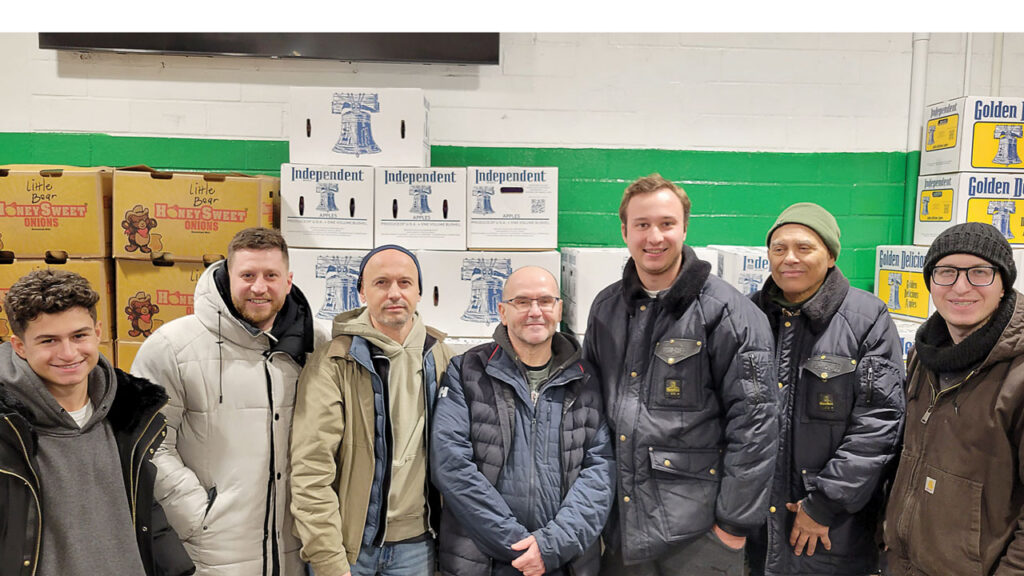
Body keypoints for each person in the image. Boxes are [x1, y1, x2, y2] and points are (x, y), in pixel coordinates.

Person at [583, 173, 779, 576]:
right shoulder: (606, 309)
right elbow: (589, 411)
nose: (654, 236)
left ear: (685, 228)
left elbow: (756, 423)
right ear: (624, 232)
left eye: (666, 224)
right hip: (623, 528)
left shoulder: (728, 312)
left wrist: (733, 525)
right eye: (642, 225)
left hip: (699, 535)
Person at [132, 227, 325, 576]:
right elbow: (147, 443)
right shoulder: (172, 347)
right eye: (247, 275)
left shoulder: (315, 346)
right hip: (212, 553)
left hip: (294, 551)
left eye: (271, 275)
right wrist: (196, 513)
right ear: (227, 274)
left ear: (289, 280)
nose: (259, 287)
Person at [0, 269, 194, 576]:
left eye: (79, 336)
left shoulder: (129, 412)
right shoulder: (6, 430)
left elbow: (143, 510)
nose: (68, 353)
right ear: (19, 346)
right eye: (49, 340)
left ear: (98, 331)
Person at [748, 203, 905, 575]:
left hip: (830, 527)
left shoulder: (867, 320)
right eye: (778, 248)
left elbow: (880, 424)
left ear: (831, 256)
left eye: (804, 248)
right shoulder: (747, 316)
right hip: (754, 520)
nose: (790, 259)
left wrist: (823, 505)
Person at [431, 266, 615, 576]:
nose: (534, 311)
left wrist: (550, 547)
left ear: (558, 309)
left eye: (545, 301)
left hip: (564, 561)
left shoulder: (587, 380)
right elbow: (451, 466)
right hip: (482, 562)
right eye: (522, 302)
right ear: (502, 312)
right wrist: (519, 545)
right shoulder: (466, 371)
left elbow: (600, 474)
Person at [290, 244, 455, 576]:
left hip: (418, 547)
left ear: (420, 291)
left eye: (405, 283)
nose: (394, 293)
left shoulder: (441, 358)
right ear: (362, 292)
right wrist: (327, 559)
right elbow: (311, 471)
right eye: (381, 283)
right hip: (350, 550)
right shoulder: (334, 362)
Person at [885, 222, 1024, 575]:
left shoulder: (1018, 374)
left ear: (1004, 283)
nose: (961, 287)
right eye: (946, 272)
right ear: (931, 282)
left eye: (979, 272)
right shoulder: (925, 354)